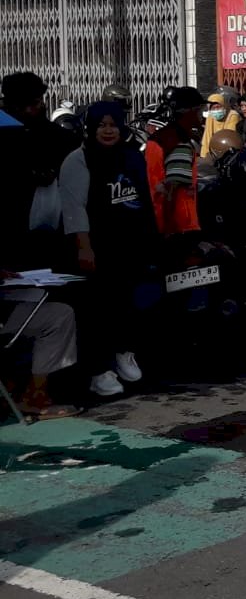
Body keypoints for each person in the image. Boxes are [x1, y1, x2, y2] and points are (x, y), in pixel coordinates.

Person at [58, 101, 158, 398]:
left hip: (128, 246)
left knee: (129, 304)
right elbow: (73, 208)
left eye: (113, 125)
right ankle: (98, 370)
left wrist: (150, 241)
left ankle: (124, 352)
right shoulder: (78, 160)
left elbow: (143, 202)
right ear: (90, 128)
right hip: (96, 247)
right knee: (97, 310)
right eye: (101, 125)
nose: (108, 131)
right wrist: (84, 248)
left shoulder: (131, 158)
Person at [0, 72, 83, 418]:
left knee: (52, 302)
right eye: (31, 104)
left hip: (34, 247)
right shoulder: (8, 134)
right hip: (16, 241)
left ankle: (31, 389)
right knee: (51, 313)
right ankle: (29, 392)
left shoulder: (43, 133)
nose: (38, 108)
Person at [146, 86, 205, 239]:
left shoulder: (160, 137)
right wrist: (175, 229)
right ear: (190, 112)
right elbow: (174, 187)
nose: (202, 116)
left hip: (159, 219)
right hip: (178, 226)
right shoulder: (179, 143)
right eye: (200, 110)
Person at [201, 87, 242, 157]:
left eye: (218, 107)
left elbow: (229, 138)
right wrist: (204, 156)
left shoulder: (232, 115)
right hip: (213, 153)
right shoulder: (210, 117)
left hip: (227, 153)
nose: (216, 110)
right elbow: (207, 139)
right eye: (213, 108)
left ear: (224, 105)